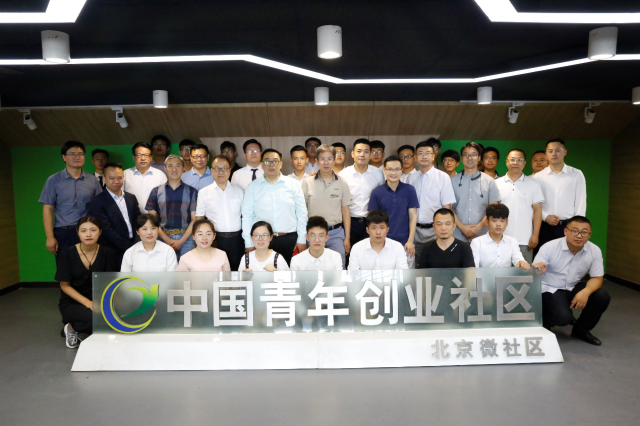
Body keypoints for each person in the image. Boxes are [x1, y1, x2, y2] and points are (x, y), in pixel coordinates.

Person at [532, 216, 610, 346]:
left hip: (572, 286)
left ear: (589, 235)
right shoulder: (550, 247)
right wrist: (538, 269)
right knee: (563, 318)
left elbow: (597, 277)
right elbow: (534, 274)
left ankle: (581, 329)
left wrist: (586, 292)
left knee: (602, 296)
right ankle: (545, 320)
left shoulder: (594, 250)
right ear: (565, 231)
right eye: (575, 231)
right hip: (549, 288)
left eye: (584, 232)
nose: (579, 235)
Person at [56, 216, 118, 349]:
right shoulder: (67, 253)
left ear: (100, 232)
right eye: (83, 231)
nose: (88, 234)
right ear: (78, 233)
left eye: (93, 230)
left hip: (99, 299)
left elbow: (109, 283)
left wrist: (103, 303)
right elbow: (64, 286)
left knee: (119, 316)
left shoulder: (107, 252)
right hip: (73, 301)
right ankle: (71, 327)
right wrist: (88, 303)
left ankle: (80, 324)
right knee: (94, 319)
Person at [241, 148, 308, 266]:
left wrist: (302, 239)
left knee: (289, 274)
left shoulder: (293, 185)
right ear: (262, 165)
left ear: (281, 164)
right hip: (262, 240)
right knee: (264, 273)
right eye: (267, 161)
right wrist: (248, 242)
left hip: (289, 239)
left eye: (275, 161)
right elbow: (247, 216)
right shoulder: (253, 187)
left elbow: (302, 214)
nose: (271, 164)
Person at [40, 141, 102, 259]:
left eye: (80, 154)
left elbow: (99, 206)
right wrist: (50, 237)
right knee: (65, 266)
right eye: (72, 154)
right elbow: (47, 209)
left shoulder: (92, 180)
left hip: (88, 232)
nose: (77, 157)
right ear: (64, 157)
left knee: (90, 266)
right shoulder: (53, 180)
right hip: (64, 233)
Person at [406, 140, 456, 268]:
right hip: (415, 232)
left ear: (433, 156)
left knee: (436, 267)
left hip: (435, 231)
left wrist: (444, 230)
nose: (424, 156)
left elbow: (447, 208)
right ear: (415, 157)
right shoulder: (411, 178)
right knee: (416, 267)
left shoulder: (443, 177)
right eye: (420, 153)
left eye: (427, 153)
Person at [301, 144, 352, 267]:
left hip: (335, 233)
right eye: (322, 159)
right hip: (314, 233)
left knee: (338, 266)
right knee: (313, 266)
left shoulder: (342, 182)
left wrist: (347, 238)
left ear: (334, 160)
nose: (326, 162)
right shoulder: (307, 182)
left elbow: (346, 211)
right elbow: (302, 211)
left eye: (329, 159)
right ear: (317, 161)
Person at [533, 139, 587, 249]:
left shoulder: (576, 174)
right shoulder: (538, 177)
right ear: (546, 154)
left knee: (569, 257)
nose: (554, 154)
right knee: (543, 258)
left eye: (557, 150)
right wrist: (545, 216)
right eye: (550, 151)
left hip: (568, 227)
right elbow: (533, 203)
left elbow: (581, 202)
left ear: (565, 152)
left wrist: (577, 226)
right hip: (544, 227)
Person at [196, 155, 245, 270]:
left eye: (224, 168)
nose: (221, 172)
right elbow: (199, 219)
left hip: (237, 239)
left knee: (237, 270)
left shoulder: (239, 190)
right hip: (216, 240)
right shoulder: (204, 192)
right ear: (212, 171)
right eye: (217, 168)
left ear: (229, 170)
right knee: (217, 271)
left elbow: (245, 216)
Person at [369, 155, 419, 267]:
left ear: (401, 170)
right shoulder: (377, 192)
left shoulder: (409, 190)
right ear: (384, 170)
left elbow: (413, 216)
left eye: (397, 169)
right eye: (390, 169)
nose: (393, 173)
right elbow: (374, 221)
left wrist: (410, 241)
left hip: (405, 243)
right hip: (384, 243)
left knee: (406, 275)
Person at [495, 149, 544, 262]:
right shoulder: (496, 184)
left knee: (524, 271)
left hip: (525, 240)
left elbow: (538, 211)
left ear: (524, 163)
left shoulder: (533, 184)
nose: (515, 162)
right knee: (499, 271)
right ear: (506, 162)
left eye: (519, 160)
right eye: (512, 159)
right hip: (500, 238)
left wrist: (535, 235)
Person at [145, 154, 198, 261]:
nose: (174, 169)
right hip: (162, 237)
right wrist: (167, 240)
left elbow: (195, 219)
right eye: (170, 166)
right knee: (164, 268)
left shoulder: (192, 192)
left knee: (187, 268)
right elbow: (152, 221)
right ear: (165, 168)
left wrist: (181, 241)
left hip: (187, 239)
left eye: (178, 166)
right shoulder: (155, 191)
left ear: (183, 169)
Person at [88, 163, 141, 266]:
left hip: (136, 247)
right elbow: (106, 230)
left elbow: (139, 222)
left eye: (119, 178)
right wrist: (129, 247)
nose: (116, 181)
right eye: (112, 178)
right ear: (104, 178)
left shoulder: (131, 198)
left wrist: (136, 243)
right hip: (113, 251)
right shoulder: (97, 201)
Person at [338, 138, 385, 248]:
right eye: (359, 151)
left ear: (370, 155)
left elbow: (381, 197)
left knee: (370, 253)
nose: (362, 155)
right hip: (349, 222)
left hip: (371, 222)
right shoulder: (343, 174)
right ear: (352, 154)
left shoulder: (378, 174)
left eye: (366, 151)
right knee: (348, 252)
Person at [451, 142, 501, 242]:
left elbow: (493, 209)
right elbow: (448, 208)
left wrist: (477, 228)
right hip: (457, 234)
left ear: (479, 158)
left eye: (473, 155)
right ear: (462, 158)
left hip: (482, 234)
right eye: (466, 155)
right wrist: (462, 227)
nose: (470, 158)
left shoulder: (489, 181)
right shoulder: (452, 181)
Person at [470, 204, 529, 269]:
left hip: (506, 276)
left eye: (502, 221)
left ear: (507, 223)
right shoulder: (477, 242)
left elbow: (518, 259)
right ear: (487, 222)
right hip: (483, 276)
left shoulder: (512, 241)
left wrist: (521, 262)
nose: (498, 224)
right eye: (494, 221)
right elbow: (474, 267)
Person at [123, 142, 167, 213]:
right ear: (134, 157)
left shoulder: (160, 175)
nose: (143, 158)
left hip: (155, 216)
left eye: (146, 155)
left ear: (151, 158)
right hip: (132, 216)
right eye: (139, 155)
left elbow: (165, 198)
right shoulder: (125, 174)